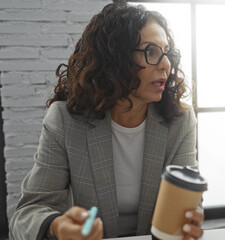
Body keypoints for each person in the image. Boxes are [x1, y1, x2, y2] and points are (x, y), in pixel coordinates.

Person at [9, 2, 204, 240]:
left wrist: (188, 221)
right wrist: (57, 226)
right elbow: (27, 213)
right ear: (115, 57)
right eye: (151, 51)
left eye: (167, 53)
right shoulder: (65, 120)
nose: (166, 65)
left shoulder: (179, 120)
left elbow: (189, 206)